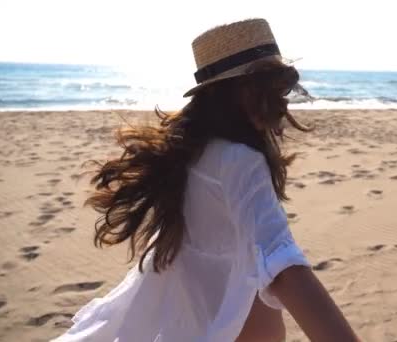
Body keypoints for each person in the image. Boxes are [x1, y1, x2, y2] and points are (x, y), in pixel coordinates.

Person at [53, 18, 358, 342]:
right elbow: (283, 265)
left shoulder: (194, 151)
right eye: (271, 87)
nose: (282, 101)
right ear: (237, 93)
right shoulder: (240, 161)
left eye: (282, 87)